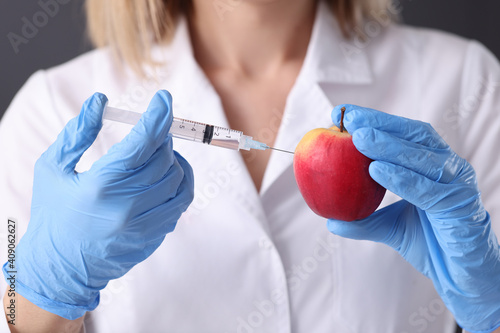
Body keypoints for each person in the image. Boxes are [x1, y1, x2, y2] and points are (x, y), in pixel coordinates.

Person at [1, 0, 499, 332]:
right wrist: (41, 289)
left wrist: (493, 310)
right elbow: (6, 312)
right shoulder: (50, 107)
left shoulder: (466, 82)